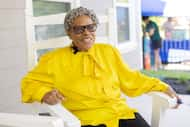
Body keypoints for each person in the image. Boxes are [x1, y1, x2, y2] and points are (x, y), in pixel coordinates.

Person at [21, 7, 181, 127]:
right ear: (69, 33)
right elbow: (30, 82)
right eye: (79, 29)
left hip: (119, 115)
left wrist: (160, 86)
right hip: (83, 120)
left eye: (90, 27)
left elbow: (130, 78)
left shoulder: (108, 51)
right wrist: (44, 94)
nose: (86, 33)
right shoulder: (53, 59)